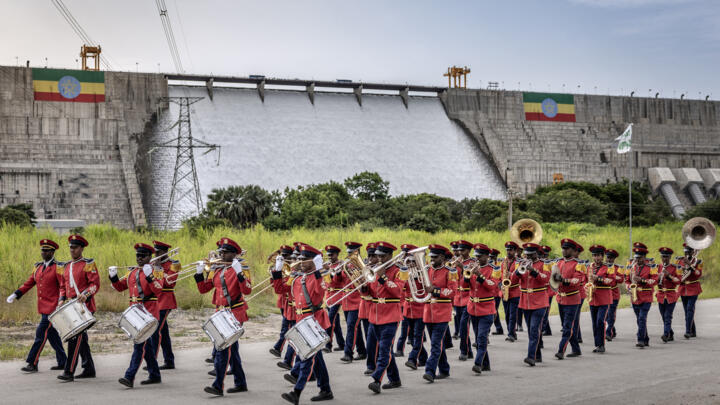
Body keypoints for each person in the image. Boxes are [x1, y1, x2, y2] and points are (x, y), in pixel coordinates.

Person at [278, 244, 334, 405]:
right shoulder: (297, 277)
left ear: (313, 261)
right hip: (301, 321)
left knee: (307, 358)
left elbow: (320, 292)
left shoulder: (319, 277)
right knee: (317, 358)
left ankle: (296, 392)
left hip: (315, 321)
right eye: (300, 259)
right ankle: (326, 390)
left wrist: (317, 270)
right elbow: (280, 289)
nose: (300, 262)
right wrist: (277, 270)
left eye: (304, 259)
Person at [195, 238, 251, 396]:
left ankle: (218, 386)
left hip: (235, 312)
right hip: (220, 313)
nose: (221, 254)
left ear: (234, 254)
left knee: (222, 349)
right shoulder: (217, 269)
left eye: (225, 252)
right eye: (221, 252)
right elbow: (204, 289)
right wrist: (200, 274)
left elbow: (247, 290)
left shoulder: (241, 268)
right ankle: (241, 383)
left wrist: (239, 273)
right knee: (232, 351)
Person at [7, 239, 67, 373]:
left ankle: (32, 363)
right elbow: (29, 283)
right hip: (43, 307)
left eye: (46, 251)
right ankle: (63, 361)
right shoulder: (38, 267)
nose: (43, 253)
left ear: (52, 252)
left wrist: (61, 300)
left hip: (53, 308)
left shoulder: (58, 267)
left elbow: (63, 286)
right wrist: (16, 294)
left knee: (40, 334)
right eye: (42, 250)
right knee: (51, 335)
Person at [110, 243, 164, 388]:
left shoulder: (156, 270)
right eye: (138, 256)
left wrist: (150, 276)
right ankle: (155, 374)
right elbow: (121, 287)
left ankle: (129, 376)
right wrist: (113, 277)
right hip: (135, 314)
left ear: (150, 257)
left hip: (148, 314)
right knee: (147, 347)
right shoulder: (132, 272)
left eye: (143, 256)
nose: (139, 258)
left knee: (139, 345)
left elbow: (159, 290)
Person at [365, 241, 406, 393]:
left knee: (383, 350)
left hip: (390, 315)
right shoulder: (375, 270)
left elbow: (397, 292)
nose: (379, 259)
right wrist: (364, 287)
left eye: (383, 256)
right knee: (385, 349)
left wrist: (382, 277)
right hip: (375, 315)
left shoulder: (399, 270)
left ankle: (377, 379)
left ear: (390, 255)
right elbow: (369, 293)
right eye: (378, 256)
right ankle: (395, 379)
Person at [57, 234, 98, 382]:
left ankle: (69, 371)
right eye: (70, 247)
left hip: (83, 306)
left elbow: (94, 285)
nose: (72, 250)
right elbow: (63, 287)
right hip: (70, 307)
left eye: (75, 248)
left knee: (75, 338)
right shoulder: (66, 266)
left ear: (81, 248)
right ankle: (89, 369)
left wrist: (86, 294)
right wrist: (61, 299)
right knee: (81, 339)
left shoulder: (88, 264)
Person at [422, 244, 457, 383]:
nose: (432, 260)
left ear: (442, 257)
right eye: (431, 257)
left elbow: (452, 292)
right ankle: (444, 369)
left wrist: (435, 290)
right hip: (428, 312)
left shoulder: (450, 271)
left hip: (442, 312)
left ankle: (429, 371)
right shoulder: (427, 270)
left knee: (435, 344)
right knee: (437, 343)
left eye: (435, 257)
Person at [512, 243, 549, 366]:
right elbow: (512, 282)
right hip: (525, 302)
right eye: (526, 254)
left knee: (533, 329)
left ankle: (531, 357)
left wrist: (533, 271)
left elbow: (546, 280)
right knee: (531, 331)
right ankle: (537, 354)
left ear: (536, 253)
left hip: (539, 302)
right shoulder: (520, 264)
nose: (527, 256)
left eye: (530, 254)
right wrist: (517, 272)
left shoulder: (544, 264)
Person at [466, 243, 500, 375]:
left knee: (481, 338)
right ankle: (486, 364)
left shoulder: (494, 269)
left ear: (487, 256)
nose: (477, 259)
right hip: (473, 308)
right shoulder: (473, 268)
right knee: (478, 338)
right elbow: (463, 285)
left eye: (480, 256)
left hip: (486, 309)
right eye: (476, 256)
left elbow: (492, 287)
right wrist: (467, 275)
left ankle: (478, 363)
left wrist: (480, 275)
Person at [553, 238, 585, 360]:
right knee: (567, 325)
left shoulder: (578, 265)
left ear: (572, 250)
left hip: (572, 299)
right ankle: (576, 349)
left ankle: (561, 350)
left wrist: (563, 280)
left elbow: (576, 282)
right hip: (560, 298)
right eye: (563, 248)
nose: (564, 251)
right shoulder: (559, 262)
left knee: (567, 327)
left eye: (567, 249)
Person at [400, 244, 428, 370]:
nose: (410, 264)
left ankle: (412, 358)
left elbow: (427, 289)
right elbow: (401, 288)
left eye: (412, 261)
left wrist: (418, 277)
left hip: (420, 308)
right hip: (408, 308)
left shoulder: (424, 271)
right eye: (409, 261)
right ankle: (423, 357)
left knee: (417, 336)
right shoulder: (405, 271)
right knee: (411, 336)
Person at [153, 240, 180, 370]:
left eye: (158, 252)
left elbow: (170, 282)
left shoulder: (174, 264)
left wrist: (158, 269)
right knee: (163, 332)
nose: (155, 254)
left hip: (166, 300)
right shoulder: (151, 263)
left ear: (165, 252)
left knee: (156, 330)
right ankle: (169, 361)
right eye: (155, 252)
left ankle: (151, 361)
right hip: (154, 300)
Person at [338, 242, 367, 363]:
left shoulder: (363, 266)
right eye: (348, 253)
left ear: (357, 253)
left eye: (351, 253)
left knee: (351, 326)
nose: (348, 255)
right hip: (346, 301)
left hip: (357, 300)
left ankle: (348, 353)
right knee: (355, 328)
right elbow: (336, 283)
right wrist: (338, 272)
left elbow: (365, 283)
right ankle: (362, 351)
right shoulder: (346, 266)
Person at [270, 245, 297, 370]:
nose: (286, 258)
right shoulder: (290, 271)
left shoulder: (297, 273)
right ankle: (285, 357)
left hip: (300, 310)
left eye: (288, 256)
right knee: (289, 331)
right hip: (289, 306)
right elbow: (278, 288)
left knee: (292, 334)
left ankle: (286, 358)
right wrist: (275, 273)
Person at [627, 243, 658, 348]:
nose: (637, 260)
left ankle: (640, 339)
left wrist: (642, 280)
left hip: (646, 296)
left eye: (640, 258)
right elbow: (626, 280)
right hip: (635, 297)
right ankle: (646, 338)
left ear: (644, 257)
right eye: (636, 258)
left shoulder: (651, 267)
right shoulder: (631, 267)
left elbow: (654, 281)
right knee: (639, 319)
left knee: (642, 318)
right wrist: (628, 287)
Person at [587, 245, 613, 354]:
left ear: (602, 256)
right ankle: (597, 344)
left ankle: (602, 345)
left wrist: (598, 278)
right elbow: (586, 280)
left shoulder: (608, 267)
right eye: (594, 256)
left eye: (598, 256)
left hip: (604, 298)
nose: (596, 258)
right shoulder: (590, 267)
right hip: (593, 298)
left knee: (600, 321)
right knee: (594, 323)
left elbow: (611, 281)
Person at [451, 240, 474, 361]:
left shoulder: (473, 262)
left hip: (468, 296)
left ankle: (464, 351)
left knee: (464, 326)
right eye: (459, 250)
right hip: (457, 297)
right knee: (461, 326)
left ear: (469, 251)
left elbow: (471, 277)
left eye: (463, 250)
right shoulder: (455, 262)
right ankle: (469, 350)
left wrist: (462, 267)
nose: (460, 253)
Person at [677, 243, 703, 339]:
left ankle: (688, 331)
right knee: (687, 311)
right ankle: (693, 331)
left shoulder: (698, 262)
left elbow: (698, 274)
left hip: (693, 288)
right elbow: (679, 274)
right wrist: (682, 269)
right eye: (685, 252)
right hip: (683, 289)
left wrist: (690, 265)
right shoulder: (680, 261)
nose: (687, 254)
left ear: (693, 251)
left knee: (689, 309)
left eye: (689, 252)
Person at [656, 247, 682, 342]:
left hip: (671, 295)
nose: (664, 259)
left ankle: (666, 334)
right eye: (663, 256)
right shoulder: (657, 267)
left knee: (668, 316)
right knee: (663, 316)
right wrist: (658, 277)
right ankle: (670, 333)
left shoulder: (675, 267)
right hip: (661, 295)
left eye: (666, 257)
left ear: (670, 257)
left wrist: (669, 275)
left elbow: (678, 281)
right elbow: (653, 280)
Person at [323, 245, 345, 353]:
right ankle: (342, 344)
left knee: (330, 320)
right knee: (335, 322)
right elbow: (327, 281)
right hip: (329, 295)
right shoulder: (328, 265)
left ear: (337, 254)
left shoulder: (340, 265)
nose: (329, 257)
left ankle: (328, 345)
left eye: (332, 255)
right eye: (328, 255)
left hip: (337, 295)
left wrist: (331, 271)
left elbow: (338, 281)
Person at [361, 243, 378, 375]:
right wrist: (363, 287)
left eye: (374, 256)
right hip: (368, 308)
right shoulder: (367, 270)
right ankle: (371, 364)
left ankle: (379, 364)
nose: (371, 259)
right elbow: (365, 293)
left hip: (382, 310)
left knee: (381, 343)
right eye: (369, 256)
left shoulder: (383, 270)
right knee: (370, 338)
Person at [500, 241, 521, 342]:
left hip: (515, 291)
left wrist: (510, 274)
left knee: (513, 314)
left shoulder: (518, 263)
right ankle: (511, 331)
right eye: (507, 250)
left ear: (515, 251)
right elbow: (500, 275)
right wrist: (501, 284)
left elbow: (518, 275)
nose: (509, 252)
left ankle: (511, 334)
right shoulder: (503, 262)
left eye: (511, 250)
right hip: (505, 291)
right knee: (507, 314)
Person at [605, 249, 623, 341]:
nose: (609, 260)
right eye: (608, 257)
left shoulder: (617, 268)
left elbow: (621, 279)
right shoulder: (602, 266)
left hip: (614, 293)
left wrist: (614, 276)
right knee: (607, 314)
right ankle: (613, 330)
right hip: (604, 294)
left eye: (611, 258)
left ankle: (609, 333)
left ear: (614, 259)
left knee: (611, 314)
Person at [488, 248, 504, 336]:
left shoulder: (499, 266)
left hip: (496, 293)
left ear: (496, 257)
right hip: (489, 292)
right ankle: (499, 328)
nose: (490, 258)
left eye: (492, 257)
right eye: (490, 256)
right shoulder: (487, 265)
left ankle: (488, 330)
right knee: (494, 311)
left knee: (493, 311)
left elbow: (501, 279)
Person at [539, 245, 554, 336]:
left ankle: (544, 328)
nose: (543, 257)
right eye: (541, 255)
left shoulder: (550, 264)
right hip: (541, 290)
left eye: (544, 255)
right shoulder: (540, 263)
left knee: (545, 311)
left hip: (548, 290)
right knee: (543, 311)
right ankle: (547, 329)